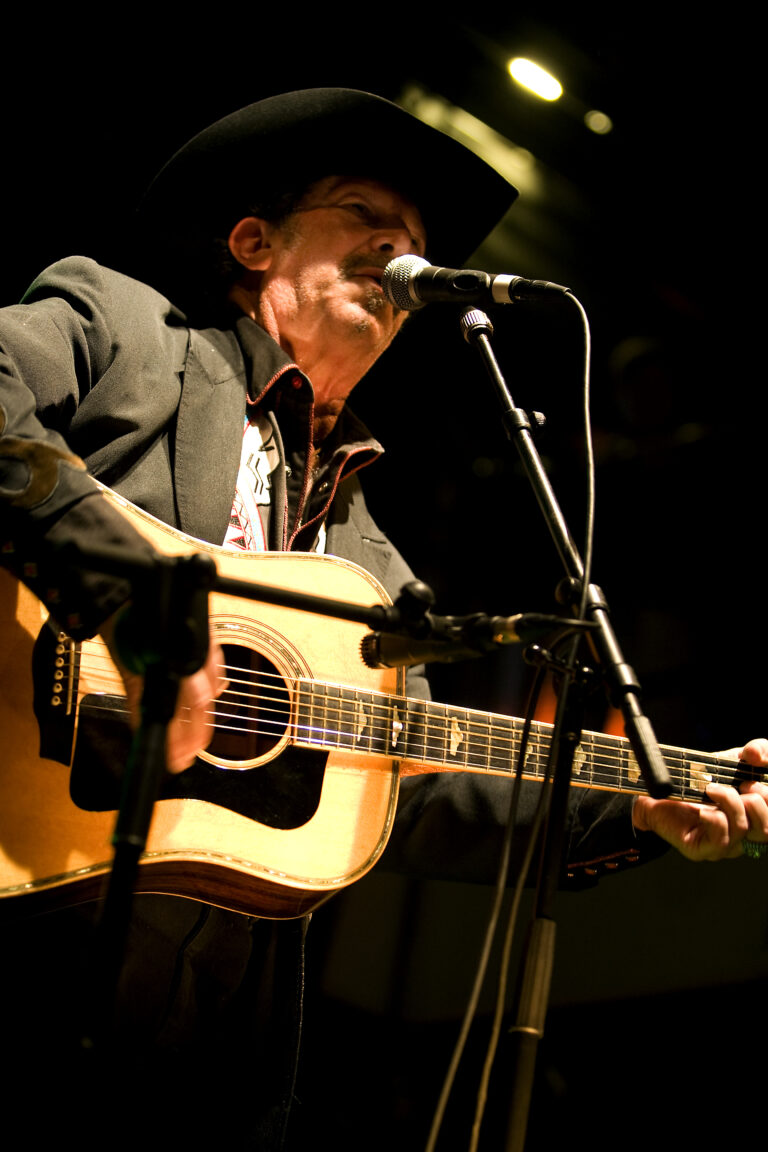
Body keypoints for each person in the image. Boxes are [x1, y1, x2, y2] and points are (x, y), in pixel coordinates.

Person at [1, 88, 766, 1148]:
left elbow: (407, 787)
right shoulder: (127, 327)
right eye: (363, 215)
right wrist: (135, 593)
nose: (399, 250)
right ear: (254, 243)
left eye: (413, 240)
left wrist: (638, 809)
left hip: (200, 1036)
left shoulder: (364, 558)